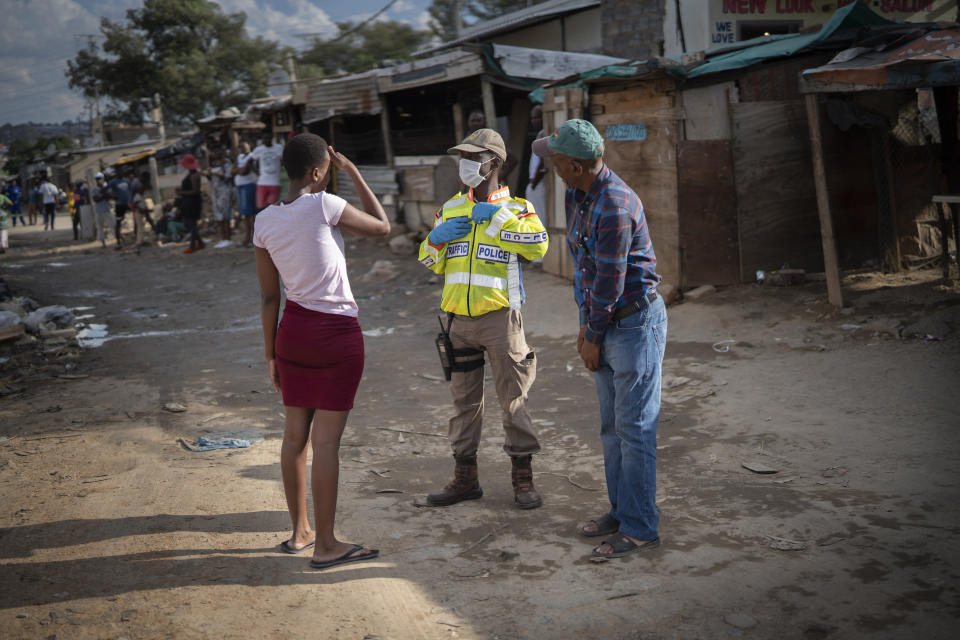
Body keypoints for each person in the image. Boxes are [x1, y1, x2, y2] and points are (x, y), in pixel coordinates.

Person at [253, 133, 390, 569]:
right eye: (327, 171)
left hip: (291, 335)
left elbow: (269, 299)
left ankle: (300, 533)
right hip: (335, 336)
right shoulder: (325, 204)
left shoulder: (263, 221)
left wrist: (271, 355)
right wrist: (353, 173)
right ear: (316, 173)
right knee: (325, 443)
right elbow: (382, 226)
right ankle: (327, 545)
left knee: (295, 437)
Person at [533, 119, 666, 559]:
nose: (549, 165)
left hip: (632, 325)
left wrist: (592, 334)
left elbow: (610, 280)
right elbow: (584, 269)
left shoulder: (613, 204)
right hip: (605, 322)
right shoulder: (579, 193)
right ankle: (622, 511)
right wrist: (586, 325)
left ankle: (641, 527)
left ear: (575, 165)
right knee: (612, 429)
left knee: (635, 430)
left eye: (555, 160)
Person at [418, 128, 549, 510]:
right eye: (463, 156)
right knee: (463, 404)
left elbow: (539, 247)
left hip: (501, 320)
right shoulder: (449, 209)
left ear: (494, 163)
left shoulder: (519, 209)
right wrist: (436, 239)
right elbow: (428, 261)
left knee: (513, 401)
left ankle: (522, 479)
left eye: (474, 157)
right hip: (458, 322)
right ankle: (465, 480)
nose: (466, 164)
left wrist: (496, 219)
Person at [232, 140, 258, 247]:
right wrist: (239, 169)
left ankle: (252, 239)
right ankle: (247, 238)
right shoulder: (239, 157)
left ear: (249, 145)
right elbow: (231, 171)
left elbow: (244, 172)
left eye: (244, 146)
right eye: (240, 147)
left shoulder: (252, 157)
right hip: (240, 187)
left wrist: (238, 170)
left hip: (249, 186)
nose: (242, 149)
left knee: (251, 214)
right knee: (245, 215)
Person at [178, 154, 205, 254]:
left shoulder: (193, 176)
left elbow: (195, 191)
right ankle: (200, 243)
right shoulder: (193, 175)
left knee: (191, 224)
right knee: (190, 224)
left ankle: (193, 245)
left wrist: (181, 193)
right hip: (190, 202)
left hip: (192, 202)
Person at [208, 148, 235, 248]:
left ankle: (228, 238)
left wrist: (217, 174)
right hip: (216, 192)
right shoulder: (214, 164)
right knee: (218, 216)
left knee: (225, 216)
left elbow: (228, 178)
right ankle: (223, 238)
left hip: (224, 192)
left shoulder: (227, 164)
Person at [251, 131, 284, 213]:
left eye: (268, 138)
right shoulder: (258, 149)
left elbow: (284, 160)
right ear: (262, 140)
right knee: (260, 209)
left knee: (272, 209)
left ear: (272, 138)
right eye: (264, 138)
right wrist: (256, 172)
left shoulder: (279, 148)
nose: (266, 140)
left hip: (275, 183)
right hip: (262, 183)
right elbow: (250, 161)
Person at [524, 105, 547, 218]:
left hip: (538, 183)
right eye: (532, 118)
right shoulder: (540, 135)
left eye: (537, 118)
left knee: (539, 216)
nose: (533, 121)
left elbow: (543, 161)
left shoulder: (544, 135)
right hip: (535, 183)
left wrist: (534, 183)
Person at [92, 172, 118, 249]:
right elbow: (96, 199)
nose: (98, 180)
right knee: (100, 228)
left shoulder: (106, 187)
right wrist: (104, 195)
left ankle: (118, 240)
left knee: (113, 224)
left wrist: (103, 194)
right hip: (98, 211)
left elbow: (110, 196)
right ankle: (103, 243)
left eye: (99, 179)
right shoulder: (95, 189)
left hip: (106, 209)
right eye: (97, 179)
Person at [108, 169, 132, 246]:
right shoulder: (113, 182)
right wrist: (112, 196)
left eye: (121, 172)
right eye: (119, 172)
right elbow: (106, 190)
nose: (120, 173)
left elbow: (131, 190)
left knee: (135, 218)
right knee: (118, 223)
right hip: (119, 205)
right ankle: (118, 241)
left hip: (128, 203)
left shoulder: (126, 181)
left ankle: (136, 237)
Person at [0, 188, 11, 253]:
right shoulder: (3, 196)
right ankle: (3, 247)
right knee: (3, 232)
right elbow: (10, 203)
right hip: (3, 216)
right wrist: (5, 208)